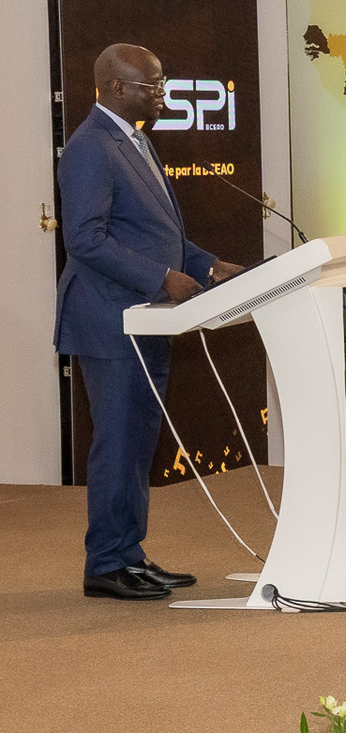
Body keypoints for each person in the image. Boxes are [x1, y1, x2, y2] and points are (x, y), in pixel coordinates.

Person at [57, 44, 243, 600]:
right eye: (153, 86)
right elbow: (84, 239)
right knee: (118, 443)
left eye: (161, 84)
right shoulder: (91, 147)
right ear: (117, 88)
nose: (163, 94)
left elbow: (154, 231)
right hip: (111, 321)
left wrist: (206, 263)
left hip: (145, 321)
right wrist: (162, 279)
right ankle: (106, 564)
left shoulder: (136, 141)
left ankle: (128, 554)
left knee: (137, 442)